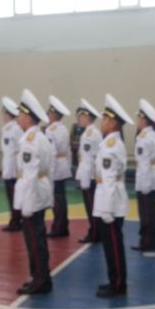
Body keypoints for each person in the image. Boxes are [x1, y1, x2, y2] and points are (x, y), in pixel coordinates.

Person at [14, 89, 54, 295]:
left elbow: (29, 175)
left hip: (33, 193)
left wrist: (27, 204)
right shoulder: (40, 137)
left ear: (29, 117)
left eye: (21, 114)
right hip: (40, 189)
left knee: (34, 239)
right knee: (37, 237)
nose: (18, 117)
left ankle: (40, 280)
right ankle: (40, 275)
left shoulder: (30, 140)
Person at [93, 94, 133, 298]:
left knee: (114, 245)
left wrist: (106, 208)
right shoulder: (111, 143)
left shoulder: (110, 146)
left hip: (110, 201)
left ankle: (118, 284)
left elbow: (108, 179)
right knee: (110, 245)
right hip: (109, 197)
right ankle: (114, 280)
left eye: (105, 119)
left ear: (113, 123)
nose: (102, 122)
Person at [132, 98, 155, 257]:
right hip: (151, 178)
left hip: (146, 179)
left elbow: (144, 163)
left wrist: (143, 185)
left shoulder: (145, 137)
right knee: (149, 213)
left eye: (139, 118)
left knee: (147, 214)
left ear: (145, 120)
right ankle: (147, 241)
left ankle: (148, 243)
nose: (137, 121)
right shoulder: (153, 135)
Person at [75, 98, 103, 244]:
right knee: (91, 206)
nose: (78, 119)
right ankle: (95, 231)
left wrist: (86, 178)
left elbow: (91, 158)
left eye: (81, 116)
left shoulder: (91, 134)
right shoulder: (89, 132)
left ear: (87, 117)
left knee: (92, 207)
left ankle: (95, 232)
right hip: (89, 174)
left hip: (91, 175)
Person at [45, 95, 72, 238]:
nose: (48, 115)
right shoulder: (63, 128)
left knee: (57, 199)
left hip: (55, 166)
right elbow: (67, 150)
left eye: (49, 113)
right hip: (63, 164)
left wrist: (50, 170)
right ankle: (63, 225)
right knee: (61, 197)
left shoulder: (51, 130)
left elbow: (52, 152)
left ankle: (59, 227)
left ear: (54, 114)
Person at [0, 96, 24, 232]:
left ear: (7, 114)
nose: (2, 116)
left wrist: (10, 171)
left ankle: (15, 221)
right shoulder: (11, 128)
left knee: (13, 195)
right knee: (13, 195)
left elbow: (15, 150)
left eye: (4, 113)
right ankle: (16, 219)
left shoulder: (12, 129)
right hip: (11, 166)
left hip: (13, 167)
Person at [69, 115, 85, 179]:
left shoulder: (85, 127)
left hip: (82, 149)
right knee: (74, 164)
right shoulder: (74, 126)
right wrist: (72, 144)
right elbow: (71, 136)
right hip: (74, 149)